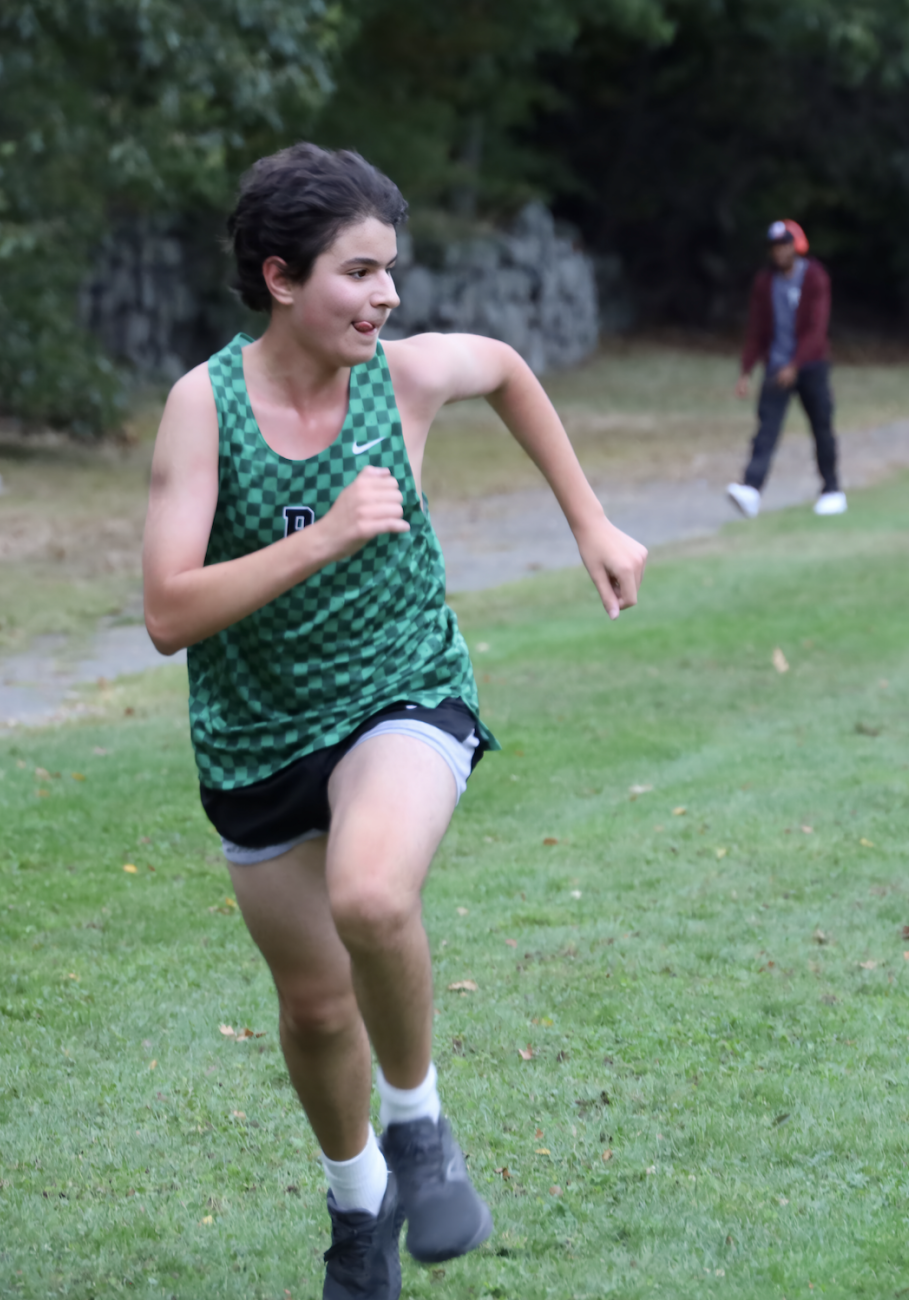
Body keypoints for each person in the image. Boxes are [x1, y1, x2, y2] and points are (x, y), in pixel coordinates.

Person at [141, 144, 647, 1299]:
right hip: (258, 732)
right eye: (359, 272)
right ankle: (358, 1200)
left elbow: (509, 368)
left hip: (402, 687)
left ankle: (419, 1127)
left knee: (373, 893)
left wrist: (594, 524)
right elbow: (170, 612)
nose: (387, 296)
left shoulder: (406, 377)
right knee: (316, 1007)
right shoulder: (203, 409)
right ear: (280, 278)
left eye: (391, 270)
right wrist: (321, 534)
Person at [727, 219, 844, 518]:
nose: (780, 252)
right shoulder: (765, 283)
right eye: (775, 247)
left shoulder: (815, 277)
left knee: (821, 427)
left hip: (811, 366)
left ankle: (832, 489)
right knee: (766, 429)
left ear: (797, 246)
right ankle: (751, 490)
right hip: (777, 366)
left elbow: (816, 329)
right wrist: (746, 370)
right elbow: (757, 328)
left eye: (785, 245)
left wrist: (796, 364)